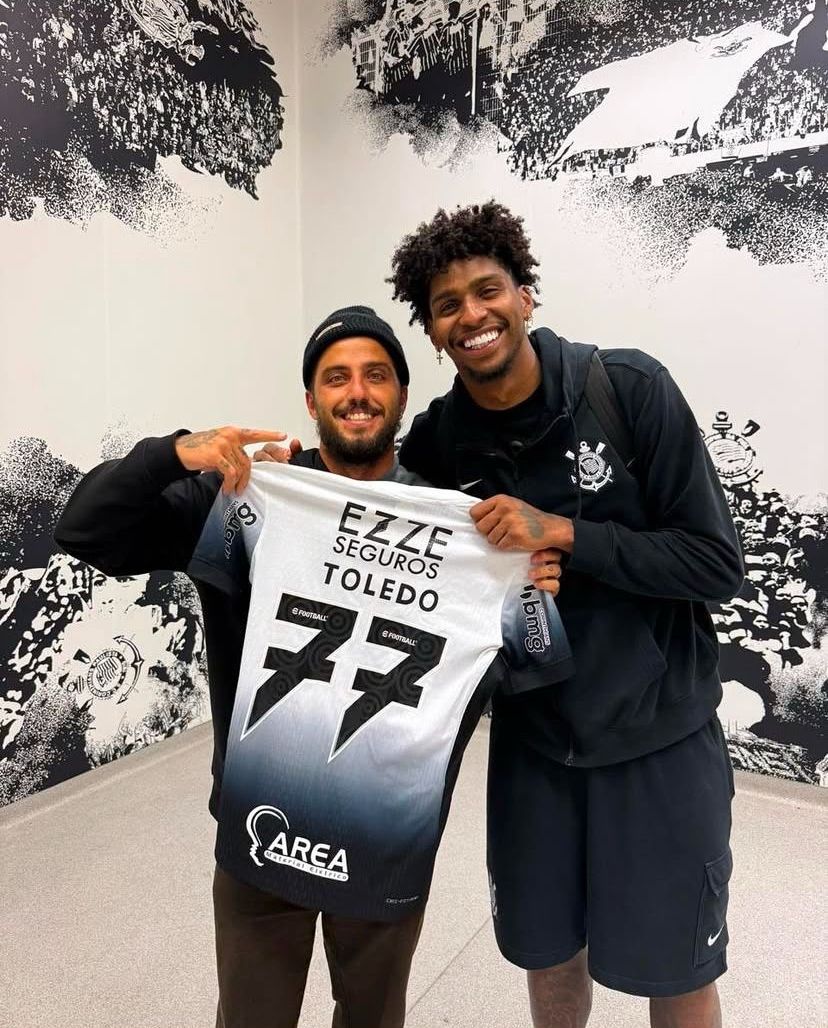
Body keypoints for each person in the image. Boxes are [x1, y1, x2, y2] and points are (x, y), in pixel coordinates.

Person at [54, 303, 566, 1028]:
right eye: (336, 378)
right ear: (310, 400)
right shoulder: (246, 498)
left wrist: (531, 588)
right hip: (259, 819)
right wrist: (174, 454)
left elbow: (529, 669)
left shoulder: (464, 523)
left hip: (388, 831)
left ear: (400, 396)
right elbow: (84, 529)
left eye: (376, 375)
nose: (357, 392)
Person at [388, 201, 745, 1028]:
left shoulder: (628, 389)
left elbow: (713, 562)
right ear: (435, 333)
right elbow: (398, 558)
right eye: (448, 306)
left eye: (488, 291)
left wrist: (568, 536)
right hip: (535, 749)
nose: (472, 314)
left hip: (657, 740)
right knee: (549, 966)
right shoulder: (440, 444)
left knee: (677, 973)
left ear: (525, 296)